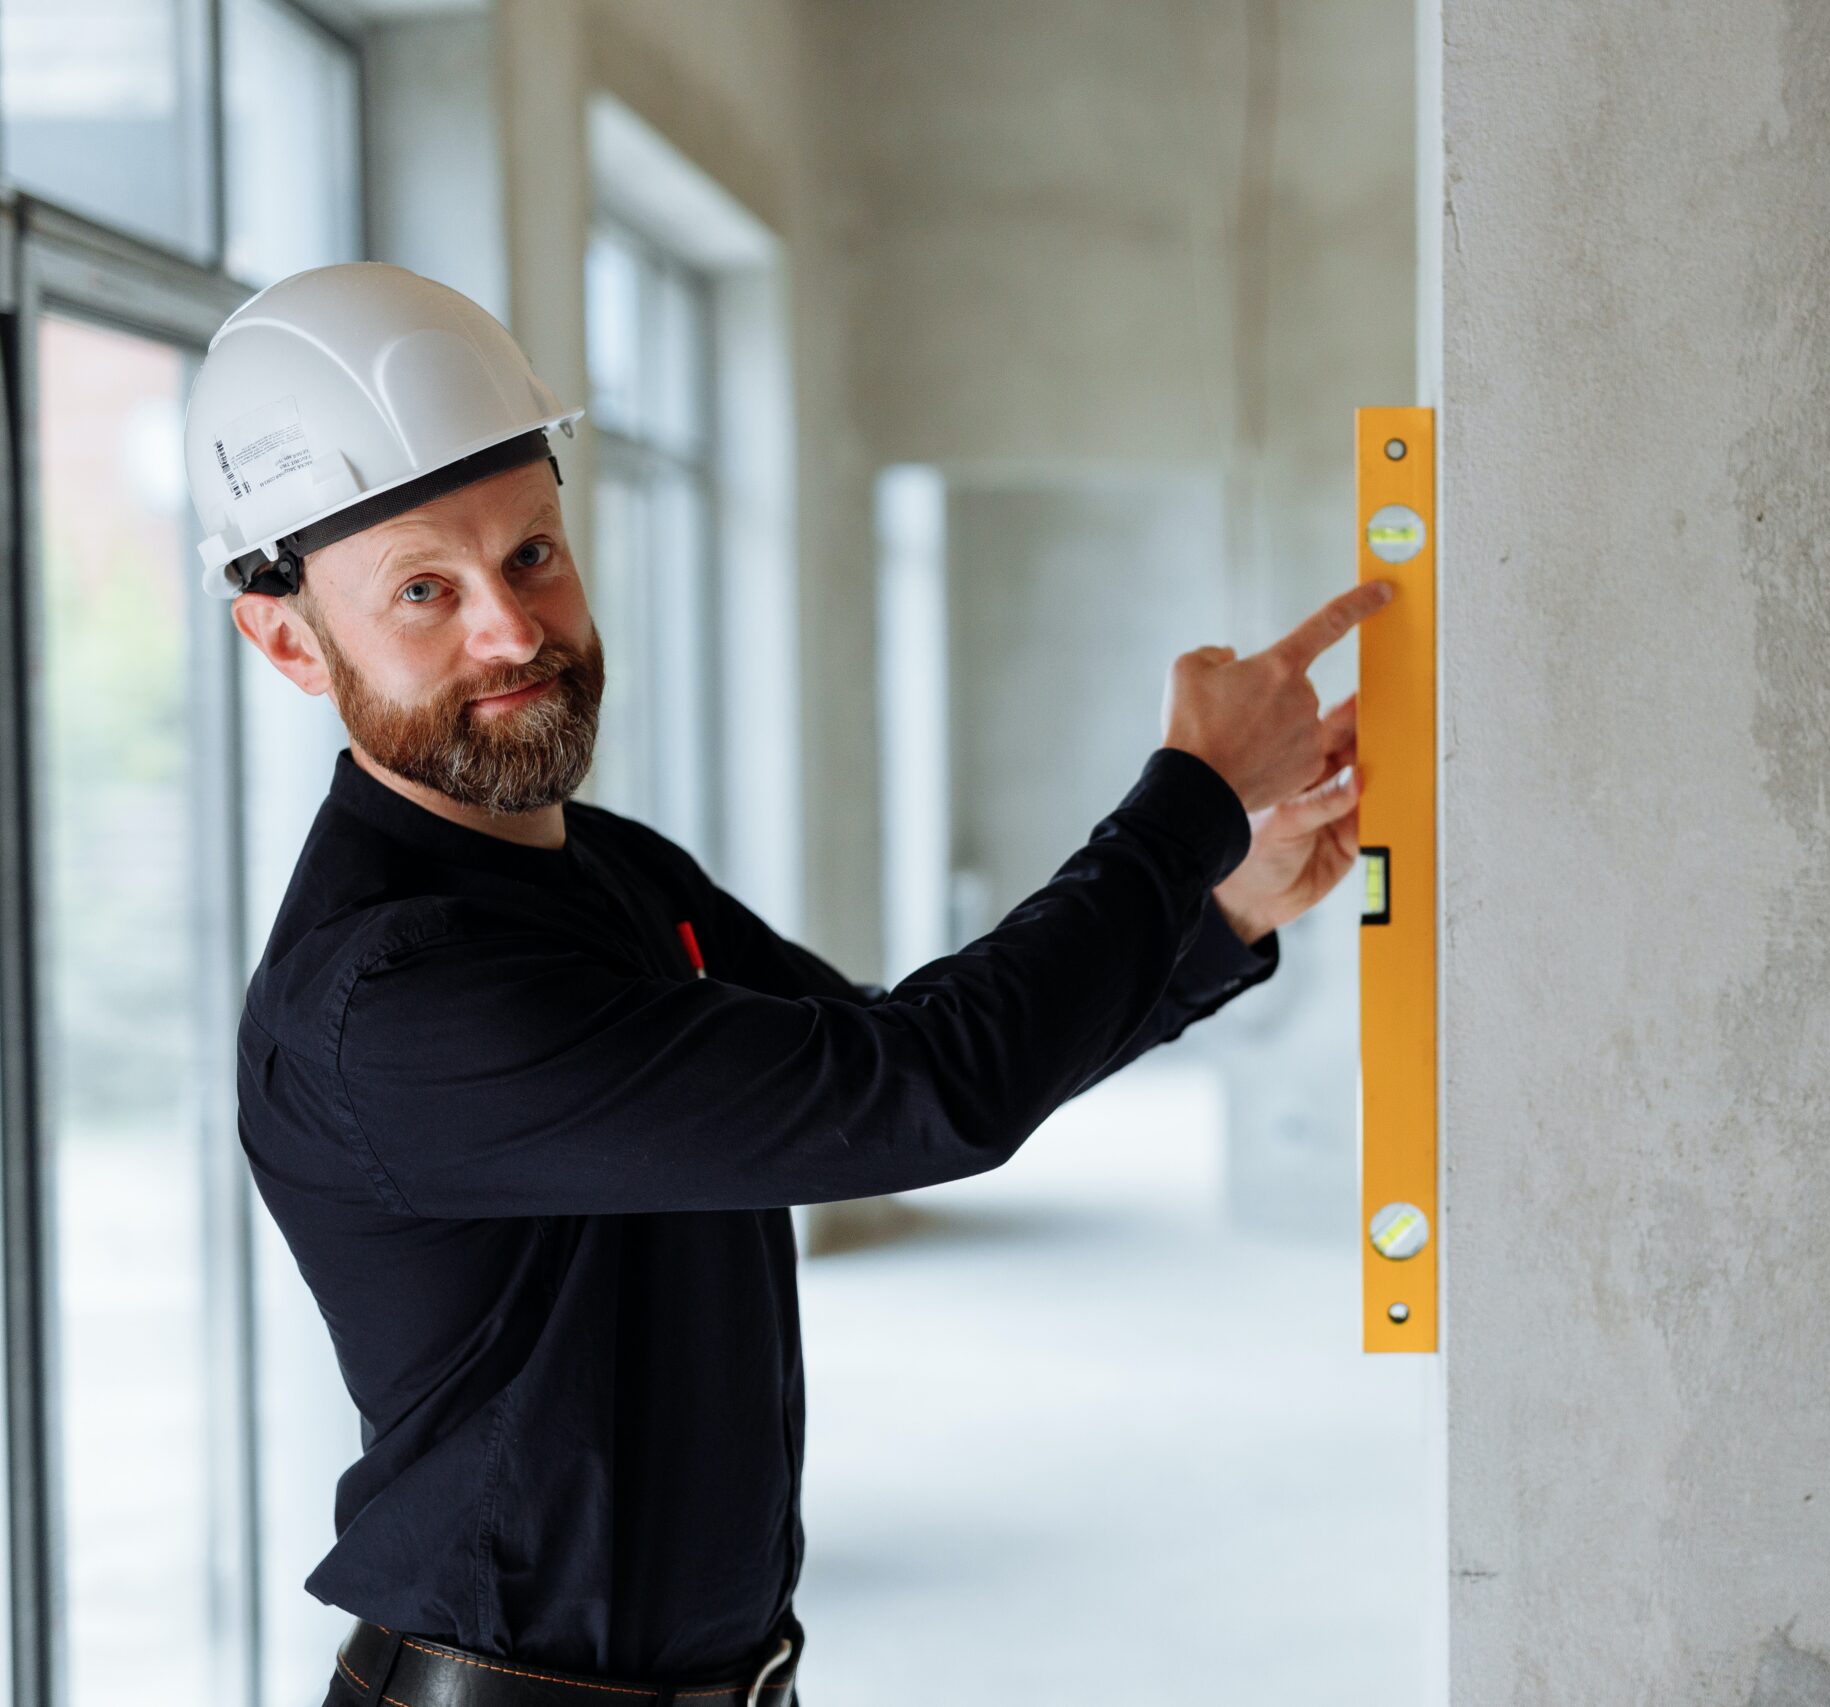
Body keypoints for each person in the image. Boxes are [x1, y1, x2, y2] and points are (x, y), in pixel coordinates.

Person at [181, 262, 1387, 1707]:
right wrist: (1184, 804)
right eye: (424, 591)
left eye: (533, 557)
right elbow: (932, 1092)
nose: (511, 632)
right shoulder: (392, 1001)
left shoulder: (609, 870)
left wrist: (1220, 907)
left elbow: (878, 1060)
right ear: (288, 639)